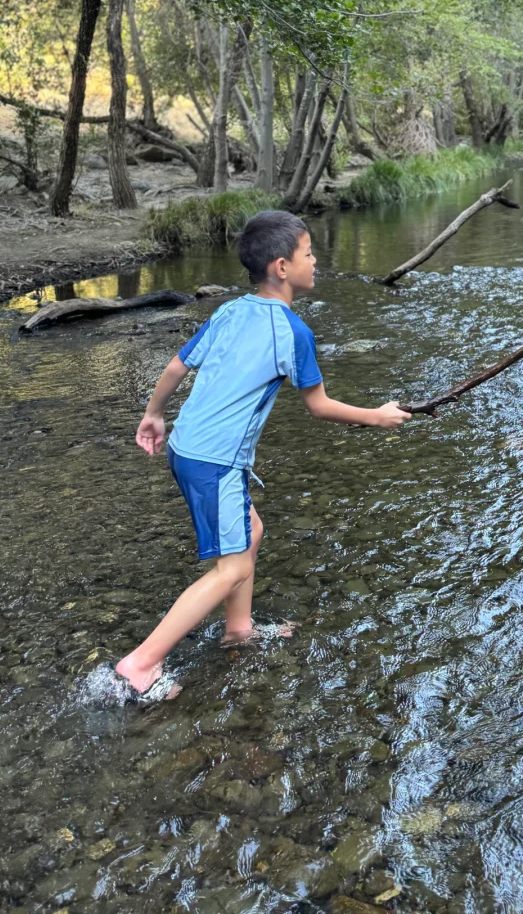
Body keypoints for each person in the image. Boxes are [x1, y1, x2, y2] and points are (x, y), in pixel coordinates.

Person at [114, 209, 411, 700]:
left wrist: (154, 414)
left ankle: (239, 630)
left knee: (250, 531)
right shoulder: (293, 332)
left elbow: (177, 365)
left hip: (188, 448)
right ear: (282, 267)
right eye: (309, 253)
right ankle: (141, 664)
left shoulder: (230, 310)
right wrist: (377, 417)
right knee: (231, 568)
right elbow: (319, 406)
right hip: (217, 462)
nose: (315, 261)